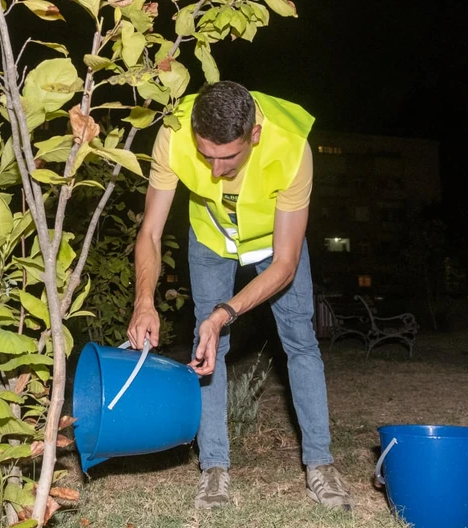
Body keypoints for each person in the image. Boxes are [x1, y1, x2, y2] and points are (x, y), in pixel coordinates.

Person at [126, 81, 354, 511]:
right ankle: (214, 469)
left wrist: (224, 312)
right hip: (211, 237)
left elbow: (285, 265)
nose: (213, 171)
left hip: (273, 242)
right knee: (207, 344)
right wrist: (144, 302)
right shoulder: (174, 131)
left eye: (227, 157)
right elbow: (151, 232)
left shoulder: (291, 148)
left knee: (300, 341)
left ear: (254, 135)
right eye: (205, 155)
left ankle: (321, 465)